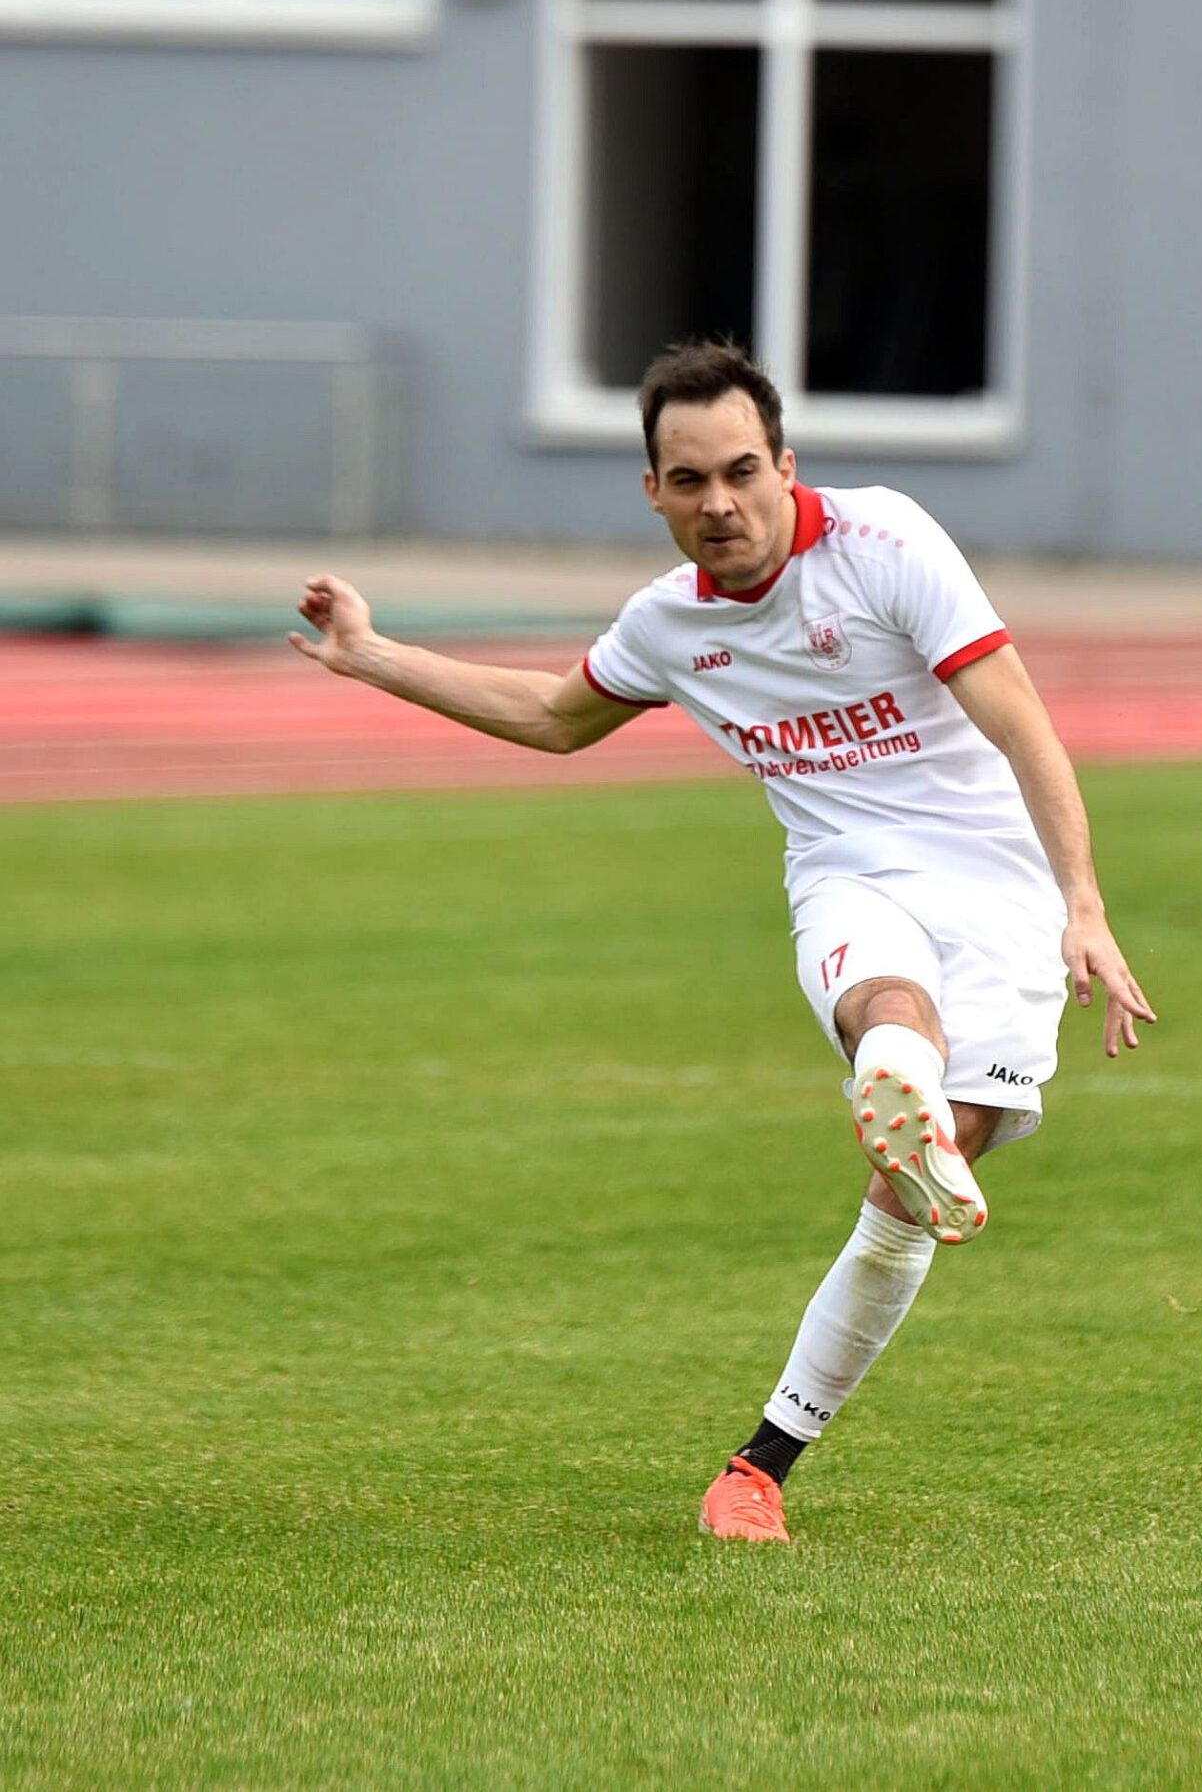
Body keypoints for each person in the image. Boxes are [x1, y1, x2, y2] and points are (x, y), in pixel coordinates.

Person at [290, 339, 1155, 1543]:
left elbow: (1020, 720)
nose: (720, 504)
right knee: (886, 1007)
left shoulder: (886, 543)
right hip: (845, 873)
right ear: (653, 490)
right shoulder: (667, 625)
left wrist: (1083, 903)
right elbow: (552, 714)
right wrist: (369, 654)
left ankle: (797, 1376)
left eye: (742, 471)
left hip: (995, 882)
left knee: (918, 1180)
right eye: (689, 480)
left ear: (785, 465)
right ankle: (760, 1461)